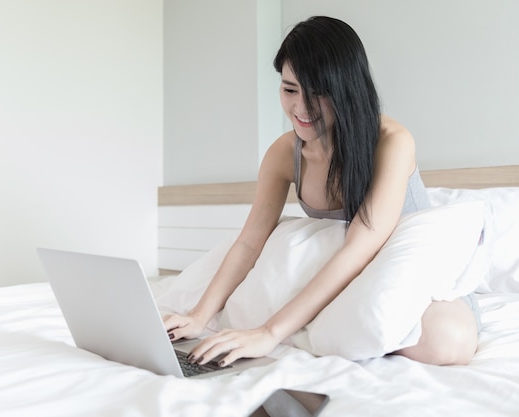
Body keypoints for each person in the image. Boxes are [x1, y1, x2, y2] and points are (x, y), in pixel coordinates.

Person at [163, 16, 479, 369]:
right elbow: (250, 241)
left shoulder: (392, 143)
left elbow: (359, 249)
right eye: (289, 89)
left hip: (410, 274)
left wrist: (269, 332)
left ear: (347, 88)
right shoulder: (285, 154)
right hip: (348, 275)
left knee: (447, 343)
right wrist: (199, 315)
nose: (300, 109)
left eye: (318, 93)